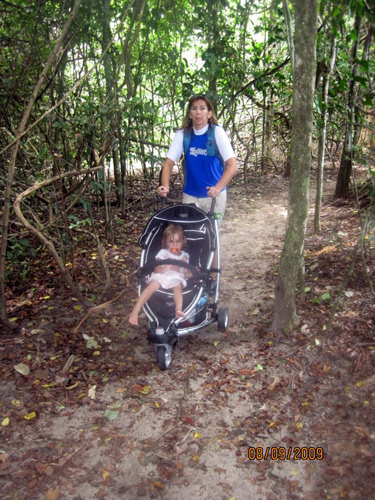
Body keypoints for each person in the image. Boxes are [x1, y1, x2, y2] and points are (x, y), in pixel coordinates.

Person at [157, 95, 237, 226]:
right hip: (191, 194)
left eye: (202, 108)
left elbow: (232, 165)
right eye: (194, 108)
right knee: (189, 236)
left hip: (214, 196)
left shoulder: (217, 132)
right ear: (189, 114)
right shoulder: (183, 134)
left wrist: (217, 188)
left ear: (209, 113)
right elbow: (168, 163)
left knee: (211, 238)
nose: (198, 112)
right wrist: (164, 186)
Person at [129, 224, 190, 326]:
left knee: (178, 287)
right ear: (166, 243)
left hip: (176, 276)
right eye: (171, 241)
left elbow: (186, 272)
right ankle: (135, 311)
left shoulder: (185, 256)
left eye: (178, 241)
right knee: (152, 285)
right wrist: (158, 269)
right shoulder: (163, 252)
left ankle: (178, 309)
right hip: (162, 274)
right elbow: (156, 266)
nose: (174, 245)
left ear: (183, 242)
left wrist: (191, 273)